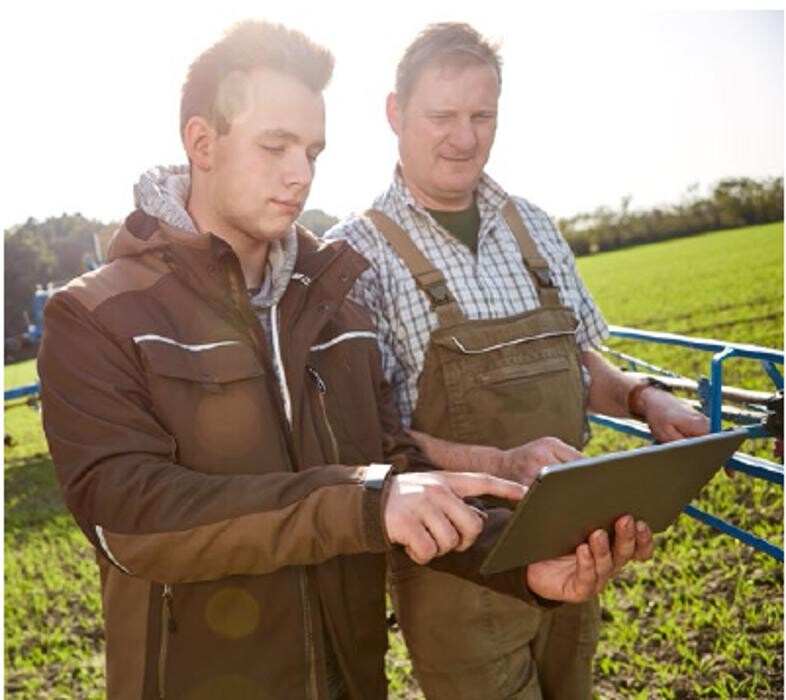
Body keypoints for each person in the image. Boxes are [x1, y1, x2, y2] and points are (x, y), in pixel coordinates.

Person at [38, 20, 653, 700]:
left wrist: (518, 566)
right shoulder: (96, 315)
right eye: (275, 146)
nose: (300, 173)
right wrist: (362, 501)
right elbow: (129, 518)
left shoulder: (335, 301)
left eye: (313, 150)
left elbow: (392, 466)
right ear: (201, 143)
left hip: (351, 680)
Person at [326, 21, 709, 700]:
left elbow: (578, 357)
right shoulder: (356, 255)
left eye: (482, 115)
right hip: (454, 566)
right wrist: (502, 463)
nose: (465, 137)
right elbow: (368, 440)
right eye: (442, 115)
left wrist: (644, 398)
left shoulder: (531, 225)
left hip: (574, 546)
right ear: (395, 113)